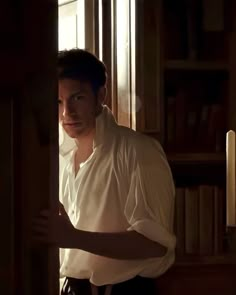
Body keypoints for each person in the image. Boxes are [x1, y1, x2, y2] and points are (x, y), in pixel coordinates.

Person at [35, 48, 176, 295]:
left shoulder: (139, 151)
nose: (67, 113)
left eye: (77, 98)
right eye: (58, 101)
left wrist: (75, 238)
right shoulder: (54, 157)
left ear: (100, 94)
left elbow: (155, 245)